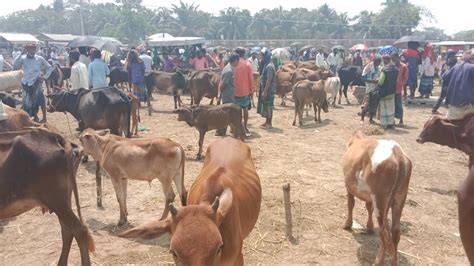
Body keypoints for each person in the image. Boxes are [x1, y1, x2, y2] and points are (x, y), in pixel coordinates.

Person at [13, 43, 53, 123]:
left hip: (36, 83)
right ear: (27, 50)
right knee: (28, 103)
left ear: (36, 49)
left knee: (41, 100)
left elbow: (50, 67)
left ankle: (44, 118)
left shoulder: (40, 58)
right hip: (26, 83)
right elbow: (15, 66)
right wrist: (21, 53)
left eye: (34, 48)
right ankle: (35, 117)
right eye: (30, 48)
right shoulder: (23, 58)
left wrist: (44, 77)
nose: (33, 50)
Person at [443, 49, 474, 119]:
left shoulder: (456, 66)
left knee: (452, 125)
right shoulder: (472, 68)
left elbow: (444, 77)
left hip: (453, 102)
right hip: (467, 103)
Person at [216, 54, 240, 136]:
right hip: (228, 95)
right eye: (238, 61)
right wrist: (219, 95)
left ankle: (221, 131)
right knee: (227, 114)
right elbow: (223, 84)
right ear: (236, 60)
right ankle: (220, 131)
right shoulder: (229, 71)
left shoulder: (228, 68)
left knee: (226, 114)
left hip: (229, 94)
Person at [234, 48, 254, 137]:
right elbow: (251, 79)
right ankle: (244, 126)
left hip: (234, 91)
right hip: (245, 91)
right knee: (245, 109)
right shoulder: (247, 64)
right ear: (244, 54)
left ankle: (235, 128)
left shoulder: (233, 64)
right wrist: (252, 90)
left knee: (235, 111)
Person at [377, 54, 399, 129]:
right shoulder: (395, 69)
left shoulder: (384, 70)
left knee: (384, 108)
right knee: (391, 108)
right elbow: (397, 80)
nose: (383, 62)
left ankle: (384, 124)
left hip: (384, 92)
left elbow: (381, 81)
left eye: (383, 60)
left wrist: (377, 84)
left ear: (386, 61)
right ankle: (391, 123)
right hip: (392, 91)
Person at [432, 50, 457, 114]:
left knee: (443, 96)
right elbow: (444, 75)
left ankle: (435, 109)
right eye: (453, 55)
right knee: (444, 96)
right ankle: (435, 109)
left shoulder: (447, 63)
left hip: (448, 82)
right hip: (448, 82)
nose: (454, 57)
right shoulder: (449, 63)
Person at [257, 48, 277, 129]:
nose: (261, 57)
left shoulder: (269, 66)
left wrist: (265, 90)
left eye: (262, 55)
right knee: (265, 105)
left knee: (269, 106)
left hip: (269, 89)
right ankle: (267, 121)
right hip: (266, 88)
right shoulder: (266, 64)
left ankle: (269, 123)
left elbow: (269, 79)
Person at [392, 53, 408, 125]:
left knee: (399, 104)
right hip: (391, 88)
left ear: (398, 58)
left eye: (395, 58)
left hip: (398, 88)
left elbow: (405, 79)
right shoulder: (392, 66)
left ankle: (401, 120)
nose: (394, 60)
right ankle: (392, 120)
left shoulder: (404, 67)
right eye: (393, 59)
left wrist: (404, 91)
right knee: (392, 105)